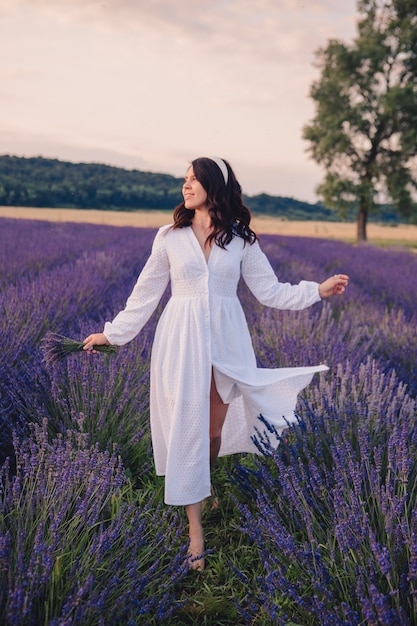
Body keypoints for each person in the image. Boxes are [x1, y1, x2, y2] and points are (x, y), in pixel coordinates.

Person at [83, 156, 348, 571]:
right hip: (181, 341)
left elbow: (270, 292)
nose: (185, 186)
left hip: (226, 342)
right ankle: (195, 532)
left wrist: (318, 289)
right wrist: (111, 333)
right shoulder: (169, 236)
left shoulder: (241, 240)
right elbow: (145, 295)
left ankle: (201, 485)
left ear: (213, 187)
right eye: (184, 180)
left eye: (193, 179)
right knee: (188, 427)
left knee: (210, 433)